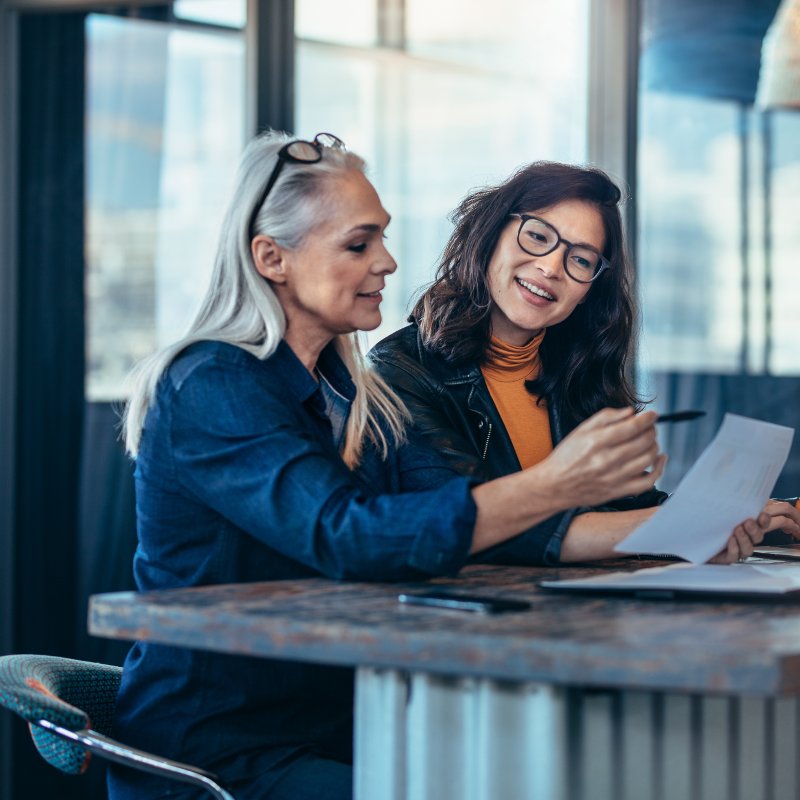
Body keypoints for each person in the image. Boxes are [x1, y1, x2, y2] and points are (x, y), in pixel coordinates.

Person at [109, 133, 765, 800]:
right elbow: (348, 535)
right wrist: (557, 482)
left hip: (341, 723)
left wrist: (695, 524)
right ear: (272, 258)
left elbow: (474, 520)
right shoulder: (212, 383)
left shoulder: (355, 392)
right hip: (223, 751)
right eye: (359, 244)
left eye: (383, 239)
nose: (389, 263)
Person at [369, 161, 798, 564]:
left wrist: (744, 519)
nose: (552, 267)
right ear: (490, 234)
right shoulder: (398, 371)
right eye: (538, 237)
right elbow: (475, 525)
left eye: (580, 259)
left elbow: (626, 507)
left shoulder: (579, 369)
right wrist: (682, 529)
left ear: (590, 288)